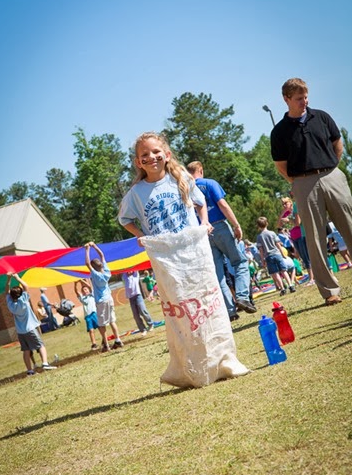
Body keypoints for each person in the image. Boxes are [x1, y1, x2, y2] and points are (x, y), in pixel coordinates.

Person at [118, 131, 250, 382]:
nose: (151, 157)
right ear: (138, 162)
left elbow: (200, 203)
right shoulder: (136, 193)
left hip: (194, 252)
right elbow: (124, 219)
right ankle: (193, 367)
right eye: (144, 154)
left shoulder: (180, 178)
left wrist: (205, 223)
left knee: (207, 301)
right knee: (182, 309)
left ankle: (222, 360)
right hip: (168, 259)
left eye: (156, 152)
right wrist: (140, 235)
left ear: (166, 155)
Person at [271, 77, 352, 305]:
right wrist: (299, 182)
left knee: (350, 226)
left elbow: (338, 144)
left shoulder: (322, 117)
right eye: (298, 98)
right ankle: (330, 292)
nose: (304, 101)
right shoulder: (279, 132)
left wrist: (331, 169)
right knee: (315, 240)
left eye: (305, 97)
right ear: (286, 99)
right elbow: (281, 165)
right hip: (303, 183)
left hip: (332, 176)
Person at [187, 160, 256, 321]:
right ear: (201, 170)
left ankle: (230, 311)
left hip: (202, 233)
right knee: (239, 262)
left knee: (217, 273)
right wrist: (236, 225)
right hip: (220, 227)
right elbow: (222, 204)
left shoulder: (186, 190)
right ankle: (242, 296)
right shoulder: (209, 183)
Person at [6, 273, 57, 375]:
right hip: (30, 329)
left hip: (21, 332)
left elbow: (6, 292)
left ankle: (29, 371)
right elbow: (26, 286)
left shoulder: (11, 305)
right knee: (41, 345)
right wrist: (17, 277)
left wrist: (8, 279)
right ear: (21, 294)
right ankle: (45, 363)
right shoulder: (23, 301)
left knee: (26, 350)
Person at [85, 242, 123, 352]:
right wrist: (94, 246)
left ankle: (106, 344)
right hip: (109, 299)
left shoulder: (96, 275)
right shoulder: (106, 272)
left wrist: (87, 249)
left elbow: (87, 263)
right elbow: (102, 255)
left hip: (101, 301)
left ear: (94, 267)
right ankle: (118, 339)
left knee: (102, 324)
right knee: (112, 320)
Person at [256, 217, 295, 296]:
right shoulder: (272, 233)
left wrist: (263, 259)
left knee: (275, 273)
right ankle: (291, 285)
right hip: (277, 254)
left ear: (258, 226)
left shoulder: (259, 237)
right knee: (284, 271)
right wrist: (282, 253)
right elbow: (278, 244)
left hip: (268, 256)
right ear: (267, 223)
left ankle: (282, 288)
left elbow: (261, 250)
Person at [122, 271, 154, 336]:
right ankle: (143, 329)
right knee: (136, 315)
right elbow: (124, 271)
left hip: (138, 296)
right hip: (131, 298)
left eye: (130, 270)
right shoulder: (125, 277)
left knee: (143, 310)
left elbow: (135, 269)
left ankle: (150, 324)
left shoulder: (135, 275)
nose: (129, 271)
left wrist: (132, 269)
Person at [74, 279, 100, 350]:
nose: (85, 291)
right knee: (91, 330)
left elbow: (90, 287)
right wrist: (75, 284)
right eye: (83, 290)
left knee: (100, 327)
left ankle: (104, 339)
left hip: (94, 313)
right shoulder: (82, 298)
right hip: (88, 316)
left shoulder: (92, 295)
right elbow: (76, 292)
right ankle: (94, 343)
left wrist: (82, 281)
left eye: (86, 289)